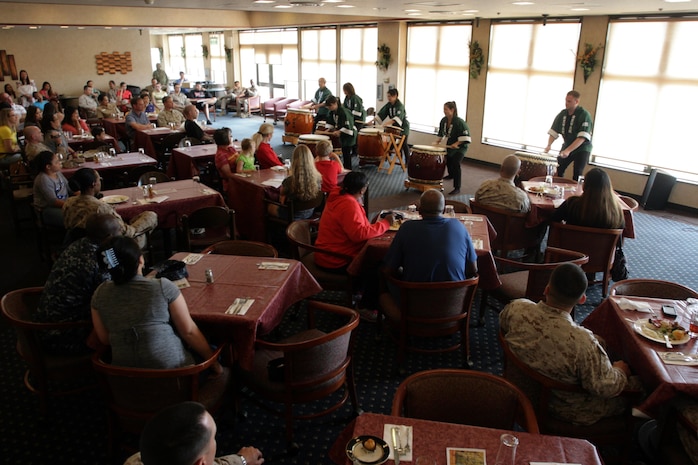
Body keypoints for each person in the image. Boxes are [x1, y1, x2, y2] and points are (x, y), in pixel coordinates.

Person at [500, 263, 633, 425]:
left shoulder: (516, 308)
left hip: (517, 390)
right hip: (562, 410)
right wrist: (621, 372)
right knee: (639, 386)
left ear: (547, 289)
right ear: (582, 299)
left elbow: (504, 327)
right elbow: (605, 388)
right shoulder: (582, 343)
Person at [91, 236, 223, 372]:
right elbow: (189, 332)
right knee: (213, 348)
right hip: (175, 377)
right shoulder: (162, 286)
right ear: (141, 259)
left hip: (125, 380)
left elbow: (105, 339)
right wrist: (214, 364)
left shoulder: (99, 293)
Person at [36, 213, 122, 355]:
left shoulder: (80, 244)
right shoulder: (95, 261)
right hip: (63, 334)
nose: (122, 233)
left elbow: (116, 269)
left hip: (49, 322)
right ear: (108, 237)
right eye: (119, 230)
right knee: (124, 312)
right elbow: (113, 293)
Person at [123, 401, 265, 465]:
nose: (215, 441)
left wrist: (242, 460)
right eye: (213, 438)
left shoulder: (134, 460)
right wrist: (242, 460)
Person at [384, 189, 478, 282]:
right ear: (444, 210)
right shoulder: (459, 226)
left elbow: (390, 268)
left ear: (419, 211)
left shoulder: (406, 228)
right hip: (454, 295)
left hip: (414, 295)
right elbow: (473, 269)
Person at [314, 171, 394, 270]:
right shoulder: (349, 205)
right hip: (335, 259)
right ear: (362, 190)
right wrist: (386, 223)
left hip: (327, 252)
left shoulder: (337, 195)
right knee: (383, 261)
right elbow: (359, 235)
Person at [63, 168, 157, 248]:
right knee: (150, 216)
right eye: (99, 180)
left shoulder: (68, 202)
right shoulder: (100, 208)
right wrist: (136, 228)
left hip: (79, 244)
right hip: (111, 245)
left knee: (136, 218)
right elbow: (125, 232)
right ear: (93, 184)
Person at [552, 167, 624, 230]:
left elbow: (553, 220)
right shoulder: (616, 210)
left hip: (572, 243)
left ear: (585, 185)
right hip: (601, 245)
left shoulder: (572, 204)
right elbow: (620, 232)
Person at [544, 90, 593, 181]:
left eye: (569, 101)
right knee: (558, 168)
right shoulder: (562, 114)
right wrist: (549, 145)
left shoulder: (584, 115)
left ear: (576, 102)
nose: (566, 103)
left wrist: (568, 151)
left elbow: (582, 137)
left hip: (582, 148)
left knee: (577, 172)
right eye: (566, 100)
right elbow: (554, 131)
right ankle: (556, 187)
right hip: (567, 144)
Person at [267, 144, 322, 220]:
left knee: (269, 206)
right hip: (310, 213)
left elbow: (281, 201)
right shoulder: (318, 179)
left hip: (292, 215)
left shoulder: (289, 181)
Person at [434, 101, 471, 195]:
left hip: (461, 147)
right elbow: (441, 133)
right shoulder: (444, 120)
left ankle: (457, 187)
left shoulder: (460, 122)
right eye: (444, 109)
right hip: (450, 144)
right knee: (448, 161)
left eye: (446, 109)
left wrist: (457, 143)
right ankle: (451, 175)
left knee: (456, 163)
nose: (444, 111)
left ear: (452, 110)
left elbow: (466, 136)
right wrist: (437, 141)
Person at [32, 150, 72, 227]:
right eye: (57, 162)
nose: (60, 163)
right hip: (48, 209)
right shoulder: (43, 179)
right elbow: (53, 201)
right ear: (48, 167)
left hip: (63, 204)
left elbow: (69, 188)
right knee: (73, 217)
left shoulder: (57, 173)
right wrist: (72, 204)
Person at [376, 88, 410, 164]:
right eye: (388, 96)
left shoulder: (400, 105)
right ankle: (388, 156)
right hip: (395, 127)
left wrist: (386, 124)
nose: (388, 98)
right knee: (392, 142)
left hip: (403, 127)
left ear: (395, 96)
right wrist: (373, 121)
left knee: (404, 144)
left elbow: (396, 119)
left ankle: (408, 161)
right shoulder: (389, 105)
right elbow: (382, 113)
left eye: (390, 96)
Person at [324, 96, 357, 170]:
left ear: (335, 104)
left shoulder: (344, 111)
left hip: (349, 134)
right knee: (344, 152)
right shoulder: (332, 112)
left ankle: (348, 169)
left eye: (330, 106)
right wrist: (328, 130)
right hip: (343, 134)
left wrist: (339, 131)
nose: (329, 108)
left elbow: (348, 126)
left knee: (346, 153)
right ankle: (345, 168)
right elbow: (331, 122)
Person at [342, 82, 366, 158]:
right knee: (350, 133)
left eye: (345, 90)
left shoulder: (355, 98)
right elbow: (345, 109)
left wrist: (349, 114)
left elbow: (357, 112)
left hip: (358, 119)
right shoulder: (346, 98)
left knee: (354, 134)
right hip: (351, 119)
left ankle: (355, 151)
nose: (344, 92)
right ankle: (352, 150)